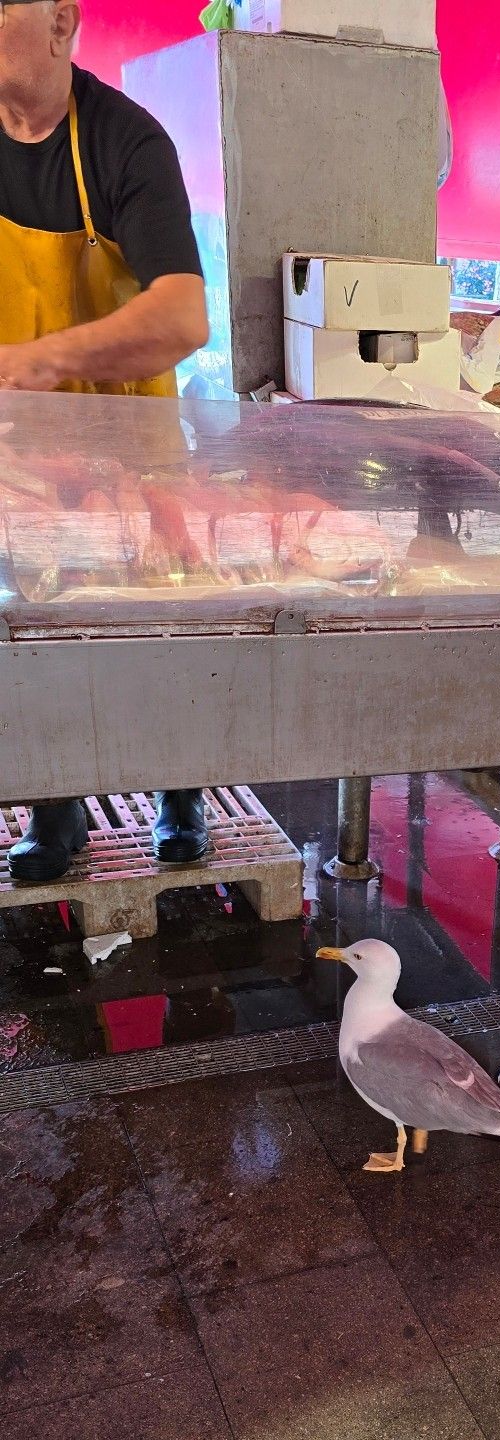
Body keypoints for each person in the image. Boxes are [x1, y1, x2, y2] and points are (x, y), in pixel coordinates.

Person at [0, 0, 212, 879]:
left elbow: (182, 313)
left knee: (158, 629)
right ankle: (57, 812)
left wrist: (37, 363)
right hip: (25, 454)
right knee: (40, 625)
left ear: (60, 24)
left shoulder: (126, 141)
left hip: (132, 442)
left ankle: (182, 794)